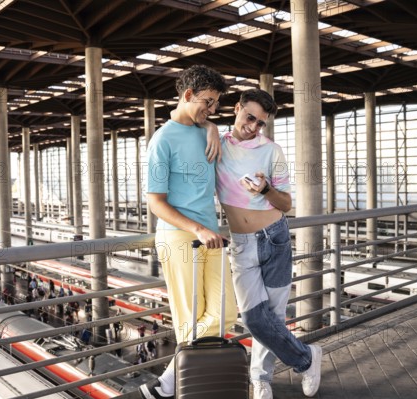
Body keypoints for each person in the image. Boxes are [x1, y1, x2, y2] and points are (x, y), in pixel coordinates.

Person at [211, 89, 322, 398]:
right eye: (249, 118)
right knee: (254, 318)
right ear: (236, 109)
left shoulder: (273, 151)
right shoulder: (215, 144)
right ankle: (307, 358)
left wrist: (265, 189)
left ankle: (261, 378)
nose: (253, 127)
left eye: (260, 123)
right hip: (242, 244)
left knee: (272, 317)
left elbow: (286, 203)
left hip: (275, 239)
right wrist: (208, 127)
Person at [138, 64, 238, 399]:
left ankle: (167, 383)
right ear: (188, 95)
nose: (211, 109)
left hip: (210, 234)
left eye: (215, 105)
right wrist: (196, 227)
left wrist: (210, 123)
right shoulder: (161, 141)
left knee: (227, 312)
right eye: (207, 102)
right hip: (180, 236)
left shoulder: (204, 127)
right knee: (189, 319)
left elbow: (208, 123)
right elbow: (155, 202)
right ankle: (188, 389)